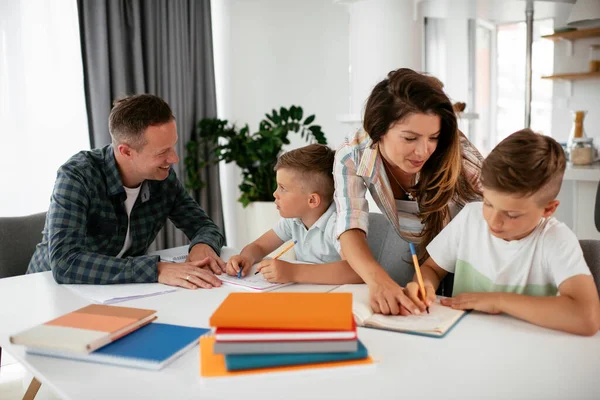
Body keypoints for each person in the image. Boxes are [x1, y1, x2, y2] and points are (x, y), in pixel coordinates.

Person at [404, 129, 600, 336]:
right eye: (488, 203)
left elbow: (587, 318)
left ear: (548, 209)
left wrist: (498, 301)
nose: (494, 221)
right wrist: (423, 285)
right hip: (464, 341)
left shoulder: (555, 239)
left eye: (512, 214)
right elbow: (431, 270)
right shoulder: (471, 217)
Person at [28, 94, 226, 290]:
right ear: (126, 151)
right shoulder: (77, 176)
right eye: (162, 152)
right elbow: (65, 263)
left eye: (172, 146)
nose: (174, 158)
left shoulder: (162, 178)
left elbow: (204, 227)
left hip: (117, 291)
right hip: (47, 292)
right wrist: (156, 269)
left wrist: (203, 245)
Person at [334, 68, 483, 316]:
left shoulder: (457, 153)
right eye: (410, 138)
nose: (424, 151)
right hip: (427, 270)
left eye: (433, 137)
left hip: (472, 266)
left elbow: (504, 213)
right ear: (378, 130)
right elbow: (349, 227)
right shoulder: (352, 156)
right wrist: (378, 281)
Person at [226, 144, 362, 284]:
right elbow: (260, 246)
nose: (275, 193)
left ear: (312, 200)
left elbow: (356, 271)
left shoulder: (338, 224)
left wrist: (293, 272)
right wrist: (246, 257)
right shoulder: (294, 220)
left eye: (283, 188)